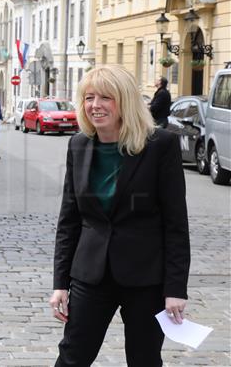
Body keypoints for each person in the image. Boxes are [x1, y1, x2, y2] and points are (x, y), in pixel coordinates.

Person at [49, 65, 190, 366]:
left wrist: (175, 289)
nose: (95, 106)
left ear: (124, 101)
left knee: (144, 359)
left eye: (105, 98)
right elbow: (69, 221)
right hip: (91, 274)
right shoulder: (79, 145)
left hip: (146, 278)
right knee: (72, 357)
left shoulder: (160, 146)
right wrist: (60, 283)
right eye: (89, 97)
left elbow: (176, 224)